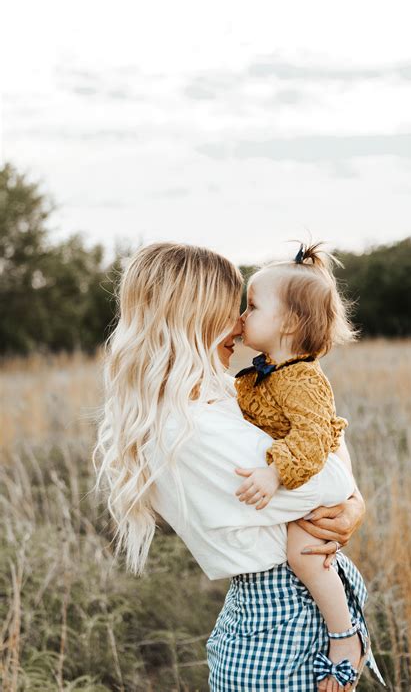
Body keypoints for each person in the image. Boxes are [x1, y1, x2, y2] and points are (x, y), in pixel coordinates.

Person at [93, 242, 385, 692]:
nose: (240, 324)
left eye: (246, 308)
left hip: (288, 615)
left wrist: (352, 502)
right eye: (232, 310)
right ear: (193, 318)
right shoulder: (190, 427)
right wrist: (350, 499)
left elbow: (324, 443)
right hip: (279, 625)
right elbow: (332, 477)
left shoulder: (217, 397)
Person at [233, 243, 366, 690]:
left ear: (289, 323)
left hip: (312, 473)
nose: (242, 315)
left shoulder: (303, 379)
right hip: (305, 473)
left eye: (251, 306)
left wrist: (274, 472)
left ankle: (344, 636)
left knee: (303, 554)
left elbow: (311, 439)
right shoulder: (267, 371)